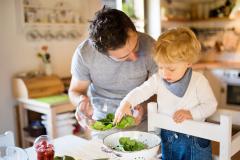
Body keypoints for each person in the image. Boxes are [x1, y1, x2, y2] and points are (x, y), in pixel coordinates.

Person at [114, 27, 217, 160]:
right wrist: (126, 103)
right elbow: (141, 91)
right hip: (169, 139)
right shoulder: (158, 80)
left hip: (195, 140)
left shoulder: (198, 81)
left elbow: (210, 105)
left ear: (188, 63)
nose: (165, 73)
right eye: (161, 67)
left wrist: (191, 114)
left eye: (171, 68)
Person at [68, 7, 157, 132]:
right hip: (103, 122)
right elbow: (76, 90)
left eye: (135, 46)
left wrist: (144, 107)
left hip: (143, 122)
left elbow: (161, 88)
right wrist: (80, 101)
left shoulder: (151, 46)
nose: (134, 56)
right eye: (124, 56)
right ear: (104, 54)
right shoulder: (85, 53)